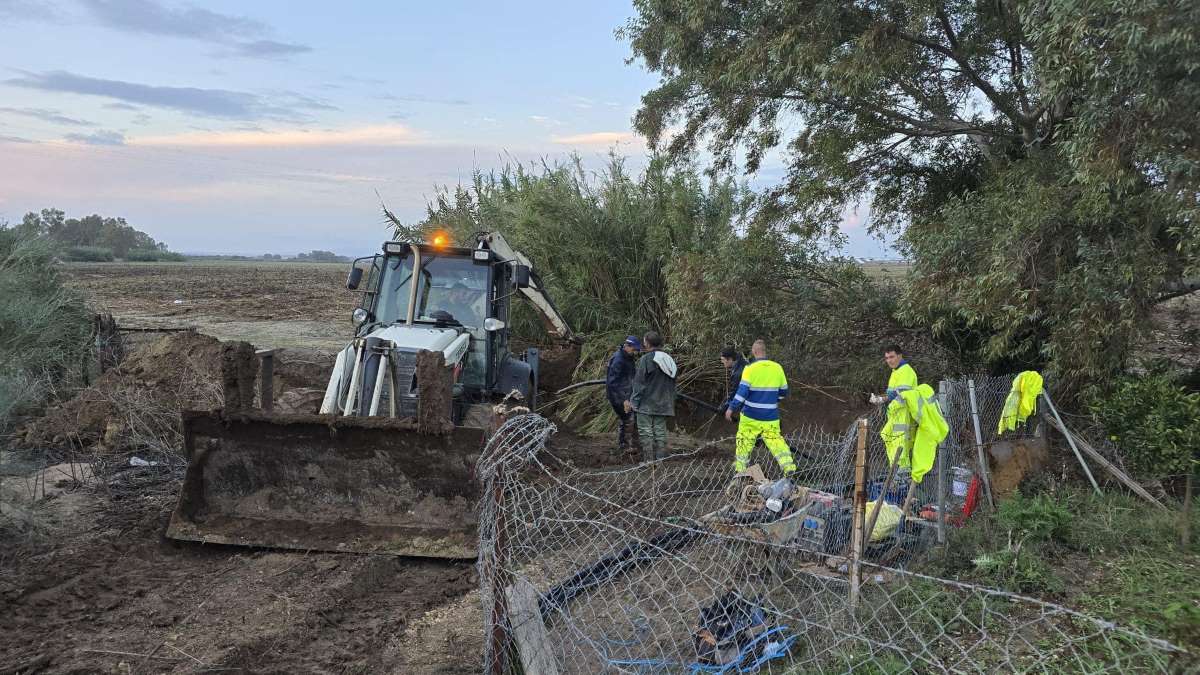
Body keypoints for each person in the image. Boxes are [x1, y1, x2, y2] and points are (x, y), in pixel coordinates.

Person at [726, 340, 796, 475]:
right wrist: (771, 401)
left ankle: (740, 470)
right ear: (765, 351)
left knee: (744, 442)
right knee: (776, 442)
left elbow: (742, 392)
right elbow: (784, 391)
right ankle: (789, 468)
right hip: (770, 416)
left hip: (751, 415)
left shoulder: (749, 369)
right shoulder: (777, 368)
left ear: (754, 352)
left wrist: (731, 408)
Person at [630, 331, 677, 461]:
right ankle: (660, 461)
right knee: (660, 432)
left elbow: (639, 383)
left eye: (644, 341)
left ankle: (649, 462)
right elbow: (673, 383)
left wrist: (634, 402)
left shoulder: (646, 359)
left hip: (647, 403)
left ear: (647, 343)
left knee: (646, 432)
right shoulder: (669, 359)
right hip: (664, 403)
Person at [605, 335, 642, 454]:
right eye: (634, 349)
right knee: (629, 417)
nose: (635, 352)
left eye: (636, 350)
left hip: (627, 393)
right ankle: (625, 447)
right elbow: (612, 383)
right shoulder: (618, 360)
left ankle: (629, 443)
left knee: (628, 417)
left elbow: (631, 375)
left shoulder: (628, 357)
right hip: (617, 395)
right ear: (627, 346)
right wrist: (624, 400)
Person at [718, 344, 748, 416]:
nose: (722, 362)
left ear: (730, 359)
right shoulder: (742, 362)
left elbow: (734, 392)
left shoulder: (738, 373)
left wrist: (724, 407)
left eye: (723, 360)